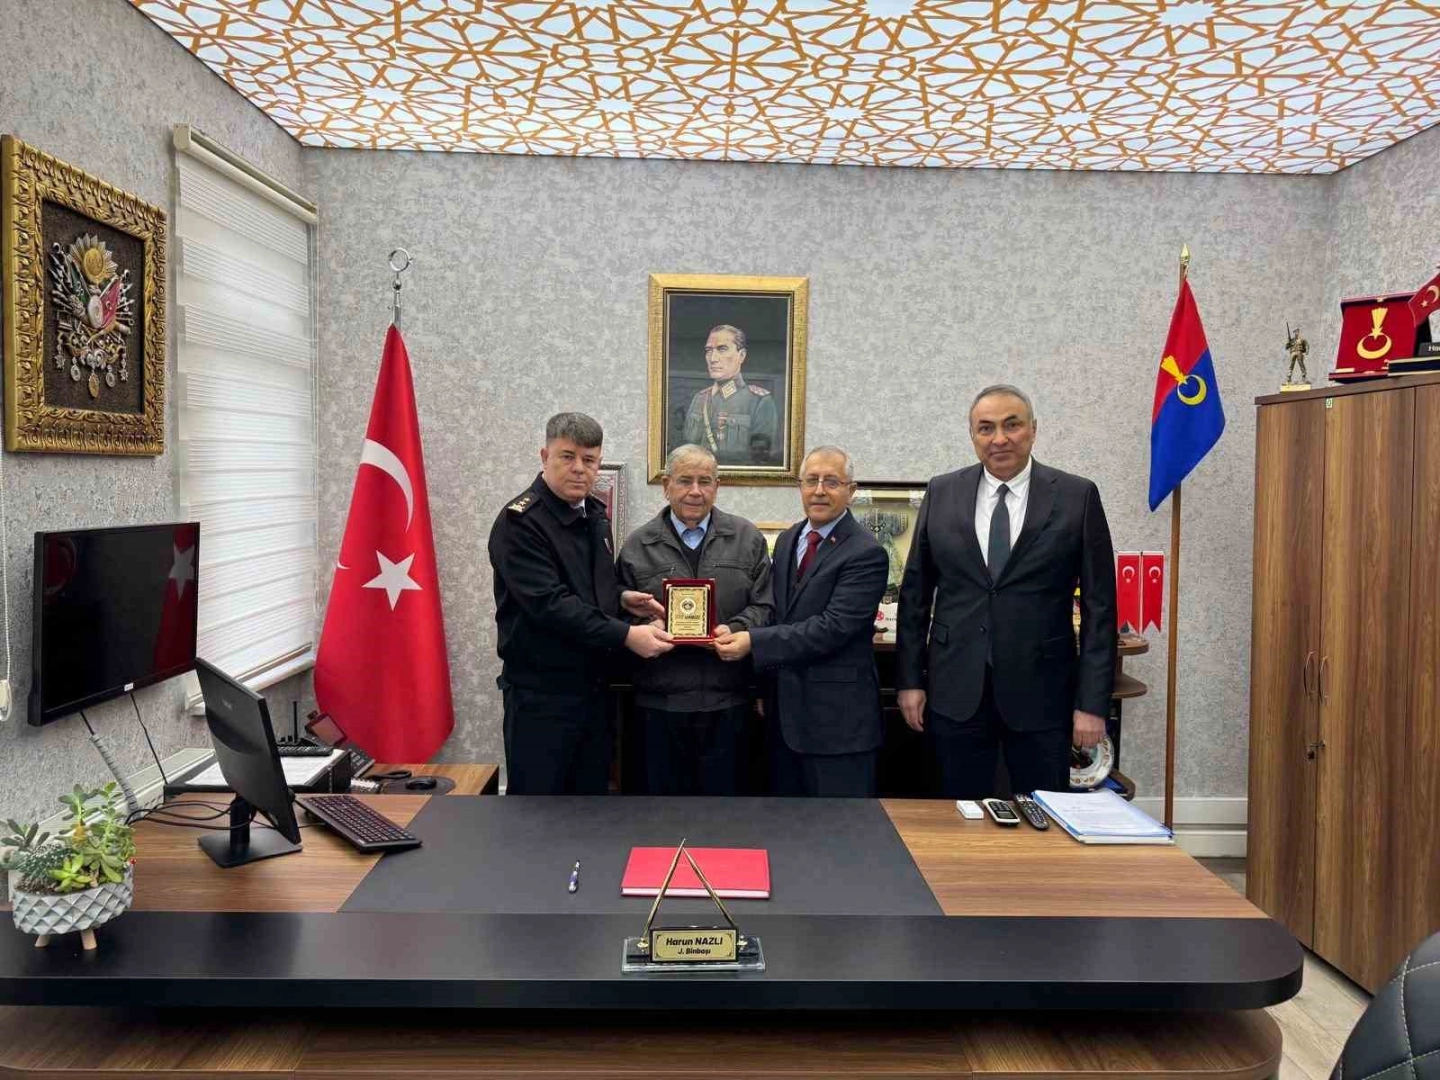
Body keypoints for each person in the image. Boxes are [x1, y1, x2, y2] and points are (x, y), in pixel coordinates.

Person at [895, 385, 1116, 799]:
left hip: (1043, 694)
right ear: (972, 435)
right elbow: (914, 597)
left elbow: (1100, 609)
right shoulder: (942, 491)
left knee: (1044, 816)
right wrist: (909, 680)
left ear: (1033, 430)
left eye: (1011, 425)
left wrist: (1091, 703)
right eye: (986, 428)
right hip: (955, 690)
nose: (999, 438)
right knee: (959, 815)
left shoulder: (1076, 496)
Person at [489, 412, 673, 795]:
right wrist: (627, 635)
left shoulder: (594, 514)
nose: (579, 468)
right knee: (539, 812)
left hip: (595, 692)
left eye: (589, 460)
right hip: (543, 698)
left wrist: (621, 598)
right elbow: (551, 605)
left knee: (591, 809)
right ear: (545, 456)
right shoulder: (520, 523)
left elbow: (587, 586)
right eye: (567, 456)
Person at [714, 447, 889, 797]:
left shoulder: (866, 552)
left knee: (840, 824)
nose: (819, 490)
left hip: (838, 726)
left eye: (832, 482)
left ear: (851, 491)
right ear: (800, 486)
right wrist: (738, 634)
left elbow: (832, 627)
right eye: (811, 480)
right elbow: (777, 612)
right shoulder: (788, 540)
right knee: (787, 825)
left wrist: (753, 641)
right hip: (782, 718)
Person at [616, 444, 774, 795]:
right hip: (658, 707)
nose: (695, 491)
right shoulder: (637, 545)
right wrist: (643, 629)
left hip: (729, 703)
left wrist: (736, 629)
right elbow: (616, 613)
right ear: (666, 485)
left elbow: (766, 606)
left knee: (725, 814)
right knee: (660, 814)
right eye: (685, 480)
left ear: (718, 486)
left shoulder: (747, 538)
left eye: (705, 481)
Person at [682, 325, 779, 464]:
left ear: (741, 356)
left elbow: (761, 460)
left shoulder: (759, 401)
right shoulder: (699, 399)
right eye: (708, 351)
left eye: (722, 349)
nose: (713, 358)